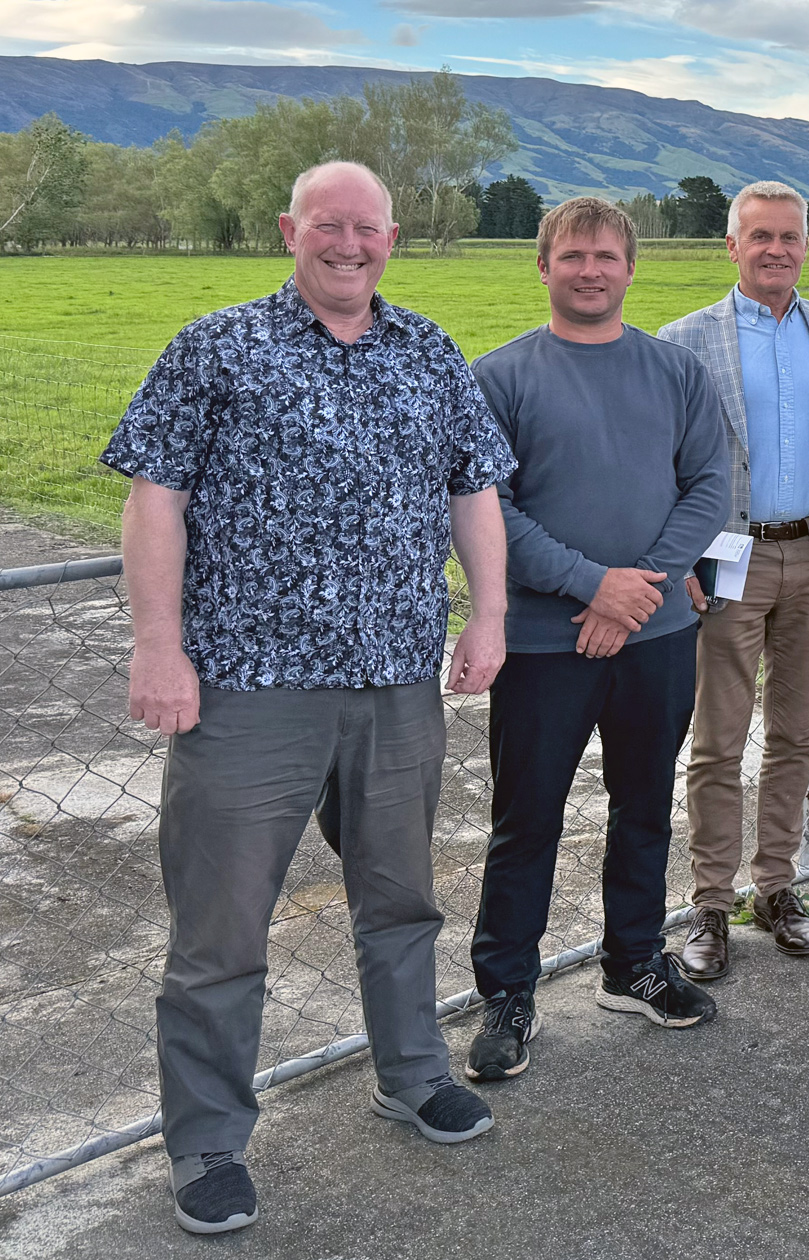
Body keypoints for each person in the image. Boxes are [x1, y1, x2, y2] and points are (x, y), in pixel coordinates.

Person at [106, 160, 512, 1234]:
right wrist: (159, 647)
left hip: (395, 686)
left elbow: (474, 488)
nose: (348, 244)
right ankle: (204, 1143)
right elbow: (157, 500)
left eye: (367, 228)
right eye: (327, 225)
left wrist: (488, 615)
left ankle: (411, 1073)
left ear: (393, 238)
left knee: (401, 901)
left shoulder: (428, 350)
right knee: (221, 931)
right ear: (290, 229)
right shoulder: (216, 346)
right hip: (247, 693)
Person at [465, 197, 731, 1082]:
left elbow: (706, 487)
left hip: (657, 636)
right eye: (572, 255)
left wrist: (641, 588)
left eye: (606, 255)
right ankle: (507, 992)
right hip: (546, 643)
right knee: (527, 817)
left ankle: (633, 965)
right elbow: (487, 508)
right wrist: (592, 586)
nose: (590, 269)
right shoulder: (498, 379)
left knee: (644, 803)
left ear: (630, 267)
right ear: (542, 266)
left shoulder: (676, 373)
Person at [659, 181, 809, 980]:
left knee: (795, 735)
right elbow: (667, 462)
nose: (776, 249)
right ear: (732, 245)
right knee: (717, 740)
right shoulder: (684, 342)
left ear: (805, 246)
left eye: (790, 237)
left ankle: (776, 887)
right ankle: (710, 903)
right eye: (761, 237)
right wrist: (680, 556)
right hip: (728, 559)